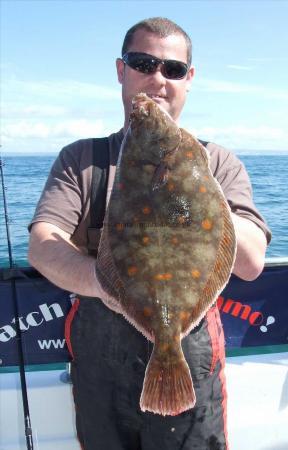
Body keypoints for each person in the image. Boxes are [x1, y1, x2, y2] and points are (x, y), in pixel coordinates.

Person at [28, 17, 271, 450]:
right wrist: (105, 286)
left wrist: (197, 184)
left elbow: (251, 264)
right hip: (101, 370)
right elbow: (43, 244)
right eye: (143, 63)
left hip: (192, 362)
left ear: (189, 80)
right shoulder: (82, 159)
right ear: (122, 70)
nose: (158, 79)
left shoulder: (218, 163)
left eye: (173, 69)